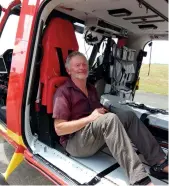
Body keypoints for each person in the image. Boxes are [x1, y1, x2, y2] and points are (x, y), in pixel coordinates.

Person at [52, 51, 168, 185]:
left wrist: (104, 112)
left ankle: (159, 162)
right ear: (68, 70)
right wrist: (91, 118)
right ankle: (139, 179)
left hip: (92, 137)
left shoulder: (91, 89)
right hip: (74, 143)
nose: (82, 67)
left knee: (128, 116)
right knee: (110, 119)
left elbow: (98, 113)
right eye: (77, 65)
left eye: (84, 64)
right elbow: (59, 129)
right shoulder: (63, 92)